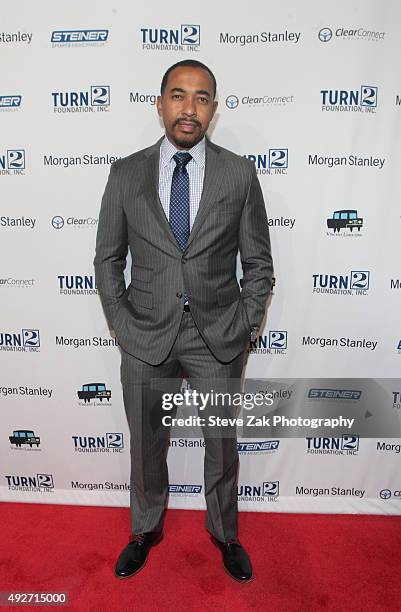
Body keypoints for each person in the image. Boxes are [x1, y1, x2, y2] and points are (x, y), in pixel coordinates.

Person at [94, 59, 273, 583]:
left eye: (200, 98)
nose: (188, 108)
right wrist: (122, 324)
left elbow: (258, 262)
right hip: (145, 333)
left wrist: (245, 324)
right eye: (178, 95)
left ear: (213, 109)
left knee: (221, 444)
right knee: (146, 446)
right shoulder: (126, 172)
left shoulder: (239, 173)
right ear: (160, 103)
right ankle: (144, 530)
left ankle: (225, 533)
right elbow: (108, 258)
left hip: (218, 336)